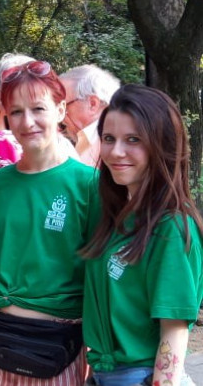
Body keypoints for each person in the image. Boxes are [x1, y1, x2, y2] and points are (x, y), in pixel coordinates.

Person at [0, 59, 99, 386]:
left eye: (38, 109)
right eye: (17, 111)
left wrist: (96, 355)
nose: (28, 121)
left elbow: (99, 279)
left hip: (60, 349)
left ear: (60, 110)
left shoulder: (90, 186)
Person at [81, 84, 203, 386]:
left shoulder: (170, 227)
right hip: (108, 375)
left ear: (161, 144)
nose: (116, 152)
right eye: (109, 138)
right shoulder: (119, 216)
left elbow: (174, 330)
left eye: (133, 139)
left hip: (144, 377)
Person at [59, 65, 120, 167]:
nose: (59, 117)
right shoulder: (88, 138)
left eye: (64, 107)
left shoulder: (113, 141)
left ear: (92, 104)